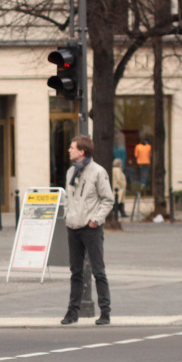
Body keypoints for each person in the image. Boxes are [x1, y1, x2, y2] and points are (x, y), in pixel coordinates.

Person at [61, 134, 114, 326]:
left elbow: (108, 199)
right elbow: (67, 197)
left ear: (82, 151)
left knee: (98, 271)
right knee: (75, 271)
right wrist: (67, 216)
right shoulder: (70, 172)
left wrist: (96, 220)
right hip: (73, 227)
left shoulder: (98, 172)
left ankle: (105, 312)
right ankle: (72, 312)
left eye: (72, 147)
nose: (69, 150)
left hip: (91, 228)